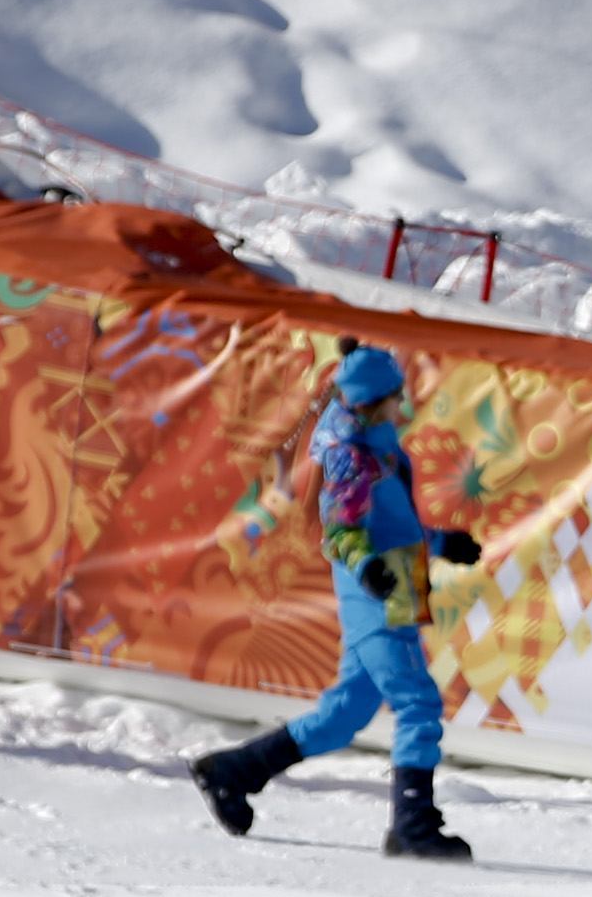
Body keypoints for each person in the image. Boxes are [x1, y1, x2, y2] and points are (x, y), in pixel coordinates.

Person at [190, 342, 483, 861]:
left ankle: (234, 771)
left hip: (391, 586)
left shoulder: (380, 445)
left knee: (346, 713)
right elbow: (343, 528)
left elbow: (392, 526)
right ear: (380, 398)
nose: (403, 402)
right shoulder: (353, 455)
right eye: (397, 394)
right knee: (418, 702)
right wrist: (369, 569)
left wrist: (441, 543)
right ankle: (413, 823)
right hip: (379, 596)